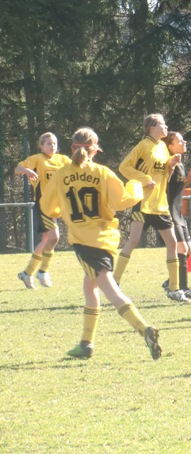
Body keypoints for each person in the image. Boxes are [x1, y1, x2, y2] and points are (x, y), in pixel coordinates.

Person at [40, 127, 161, 360]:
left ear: (72, 148)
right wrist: (138, 184)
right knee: (90, 287)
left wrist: (60, 210)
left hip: (85, 242)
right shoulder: (103, 172)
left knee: (110, 289)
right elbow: (123, 201)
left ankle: (143, 328)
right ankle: (86, 344)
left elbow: (48, 207)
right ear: (95, 149)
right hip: (105, 238)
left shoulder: (61, 173)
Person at [113, 114, 187, 302]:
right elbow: (124, 167)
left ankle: (174, 289)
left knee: (172, 244)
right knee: (134, 240)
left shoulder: (162, 147)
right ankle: (114, 282)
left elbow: (163, 176)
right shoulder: (142, 146)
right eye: (162, 124)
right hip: (143, 203)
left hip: (160, 204)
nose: (166, 127)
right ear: (152, 128)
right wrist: (145, 179)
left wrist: (171, 165)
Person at [15, 132, 72, 289]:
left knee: (47, 240)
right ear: (41, 145)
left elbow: (77, 167)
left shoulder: (63, 160)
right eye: (48, 143)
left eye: (54, 143)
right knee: (54, 237)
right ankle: (43, 271)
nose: (52, 145)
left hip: (57, 206)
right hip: (43, 205)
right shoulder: (37, 159)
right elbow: (17, 169)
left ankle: (27, 273)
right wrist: (27, 171)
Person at [160, 131, 191, 299]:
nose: (184, 141)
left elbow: (175, 190)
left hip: (178, 211)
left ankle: (171, 281)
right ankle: (183, 288)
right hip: (169, 211)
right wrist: (170, 167)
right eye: (180, 140)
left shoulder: (180, 164)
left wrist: (187, 181)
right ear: (170, 146)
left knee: (189, 250)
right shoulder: (168, 163)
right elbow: (163, 187)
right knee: (182, 248)